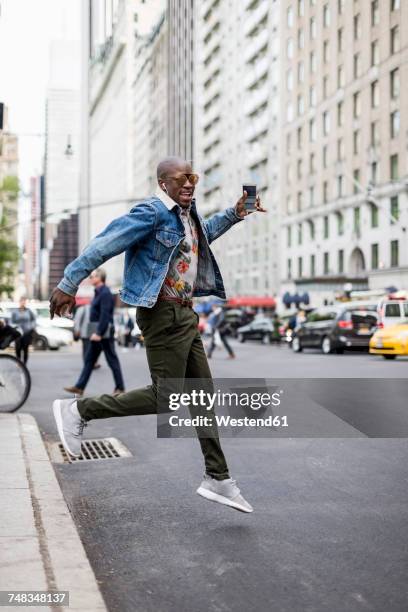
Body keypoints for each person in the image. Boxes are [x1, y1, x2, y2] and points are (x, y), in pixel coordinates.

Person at [50, 156, 266, 513]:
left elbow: (201, 239)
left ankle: (218, 477)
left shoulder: (186, 215)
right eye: (180, 179)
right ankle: (78, 410)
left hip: (184, 312)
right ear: (163, 182)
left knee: (201, 395)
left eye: (192, 178)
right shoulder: (150, 213)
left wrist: (236, 212)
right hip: (162, 311)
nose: (188, 184)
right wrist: (69, 281)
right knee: (165, 398)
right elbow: (106, 243)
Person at [64, 268, 125, 397]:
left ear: (99, 278)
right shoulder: (98, 292)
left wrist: (98, 333)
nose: (90, 278)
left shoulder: (105, 293)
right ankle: (79, 387)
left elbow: (105, 314)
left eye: (92, 276)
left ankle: (120, 388)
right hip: (97, 332)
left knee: (112, 360)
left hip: (103, 332)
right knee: (89, 360)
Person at [73, 304, 101, 368]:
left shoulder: (95, 307)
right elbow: (77, 320)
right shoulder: (82, 309)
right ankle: (87, 363)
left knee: (95, 348)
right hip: (85, 333)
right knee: (87, 349)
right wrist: (77, 330)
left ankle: (93, 362)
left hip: (93, 332)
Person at [11, 297, 36, 365]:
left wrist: (31, 327)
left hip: (26, 333)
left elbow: (33, 320)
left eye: (24, 302)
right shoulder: (15, 311)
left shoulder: (29, 311)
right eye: (22, 301)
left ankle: (24, 363)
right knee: (18, 348)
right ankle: (18, 361)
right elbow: (12, 322)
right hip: (18, 333)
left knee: (25, 348)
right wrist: (15, 327)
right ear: (19, 302)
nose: (23, 303)